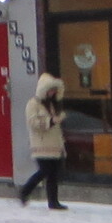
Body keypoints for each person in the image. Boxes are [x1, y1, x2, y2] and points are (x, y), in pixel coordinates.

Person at [19, 73, 69, 209]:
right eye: (50, 90)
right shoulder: (33, 104)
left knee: (53, 174)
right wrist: (51, 121)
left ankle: (53, 202)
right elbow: (33, 123)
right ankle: (25, 191)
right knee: (45, 171)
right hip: (40, 145)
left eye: (54, 90)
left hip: (54, 145)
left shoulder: (52, 105)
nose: (53, 93)